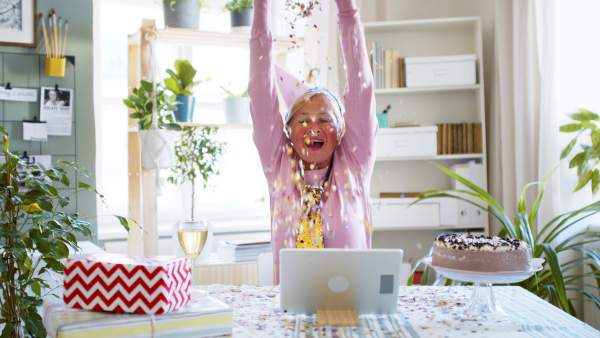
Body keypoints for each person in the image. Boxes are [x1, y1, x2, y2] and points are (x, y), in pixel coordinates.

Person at [249, 0, 376, 284]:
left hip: (354, 307)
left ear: (342, 130)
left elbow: (361, 85)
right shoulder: (278, 161)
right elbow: (260, 92)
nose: (313, 127)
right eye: (303, 119)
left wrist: (347, 11)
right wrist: (261, 7)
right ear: (287, 130)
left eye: (325, 120)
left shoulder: (354, 161)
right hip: (293, 312)